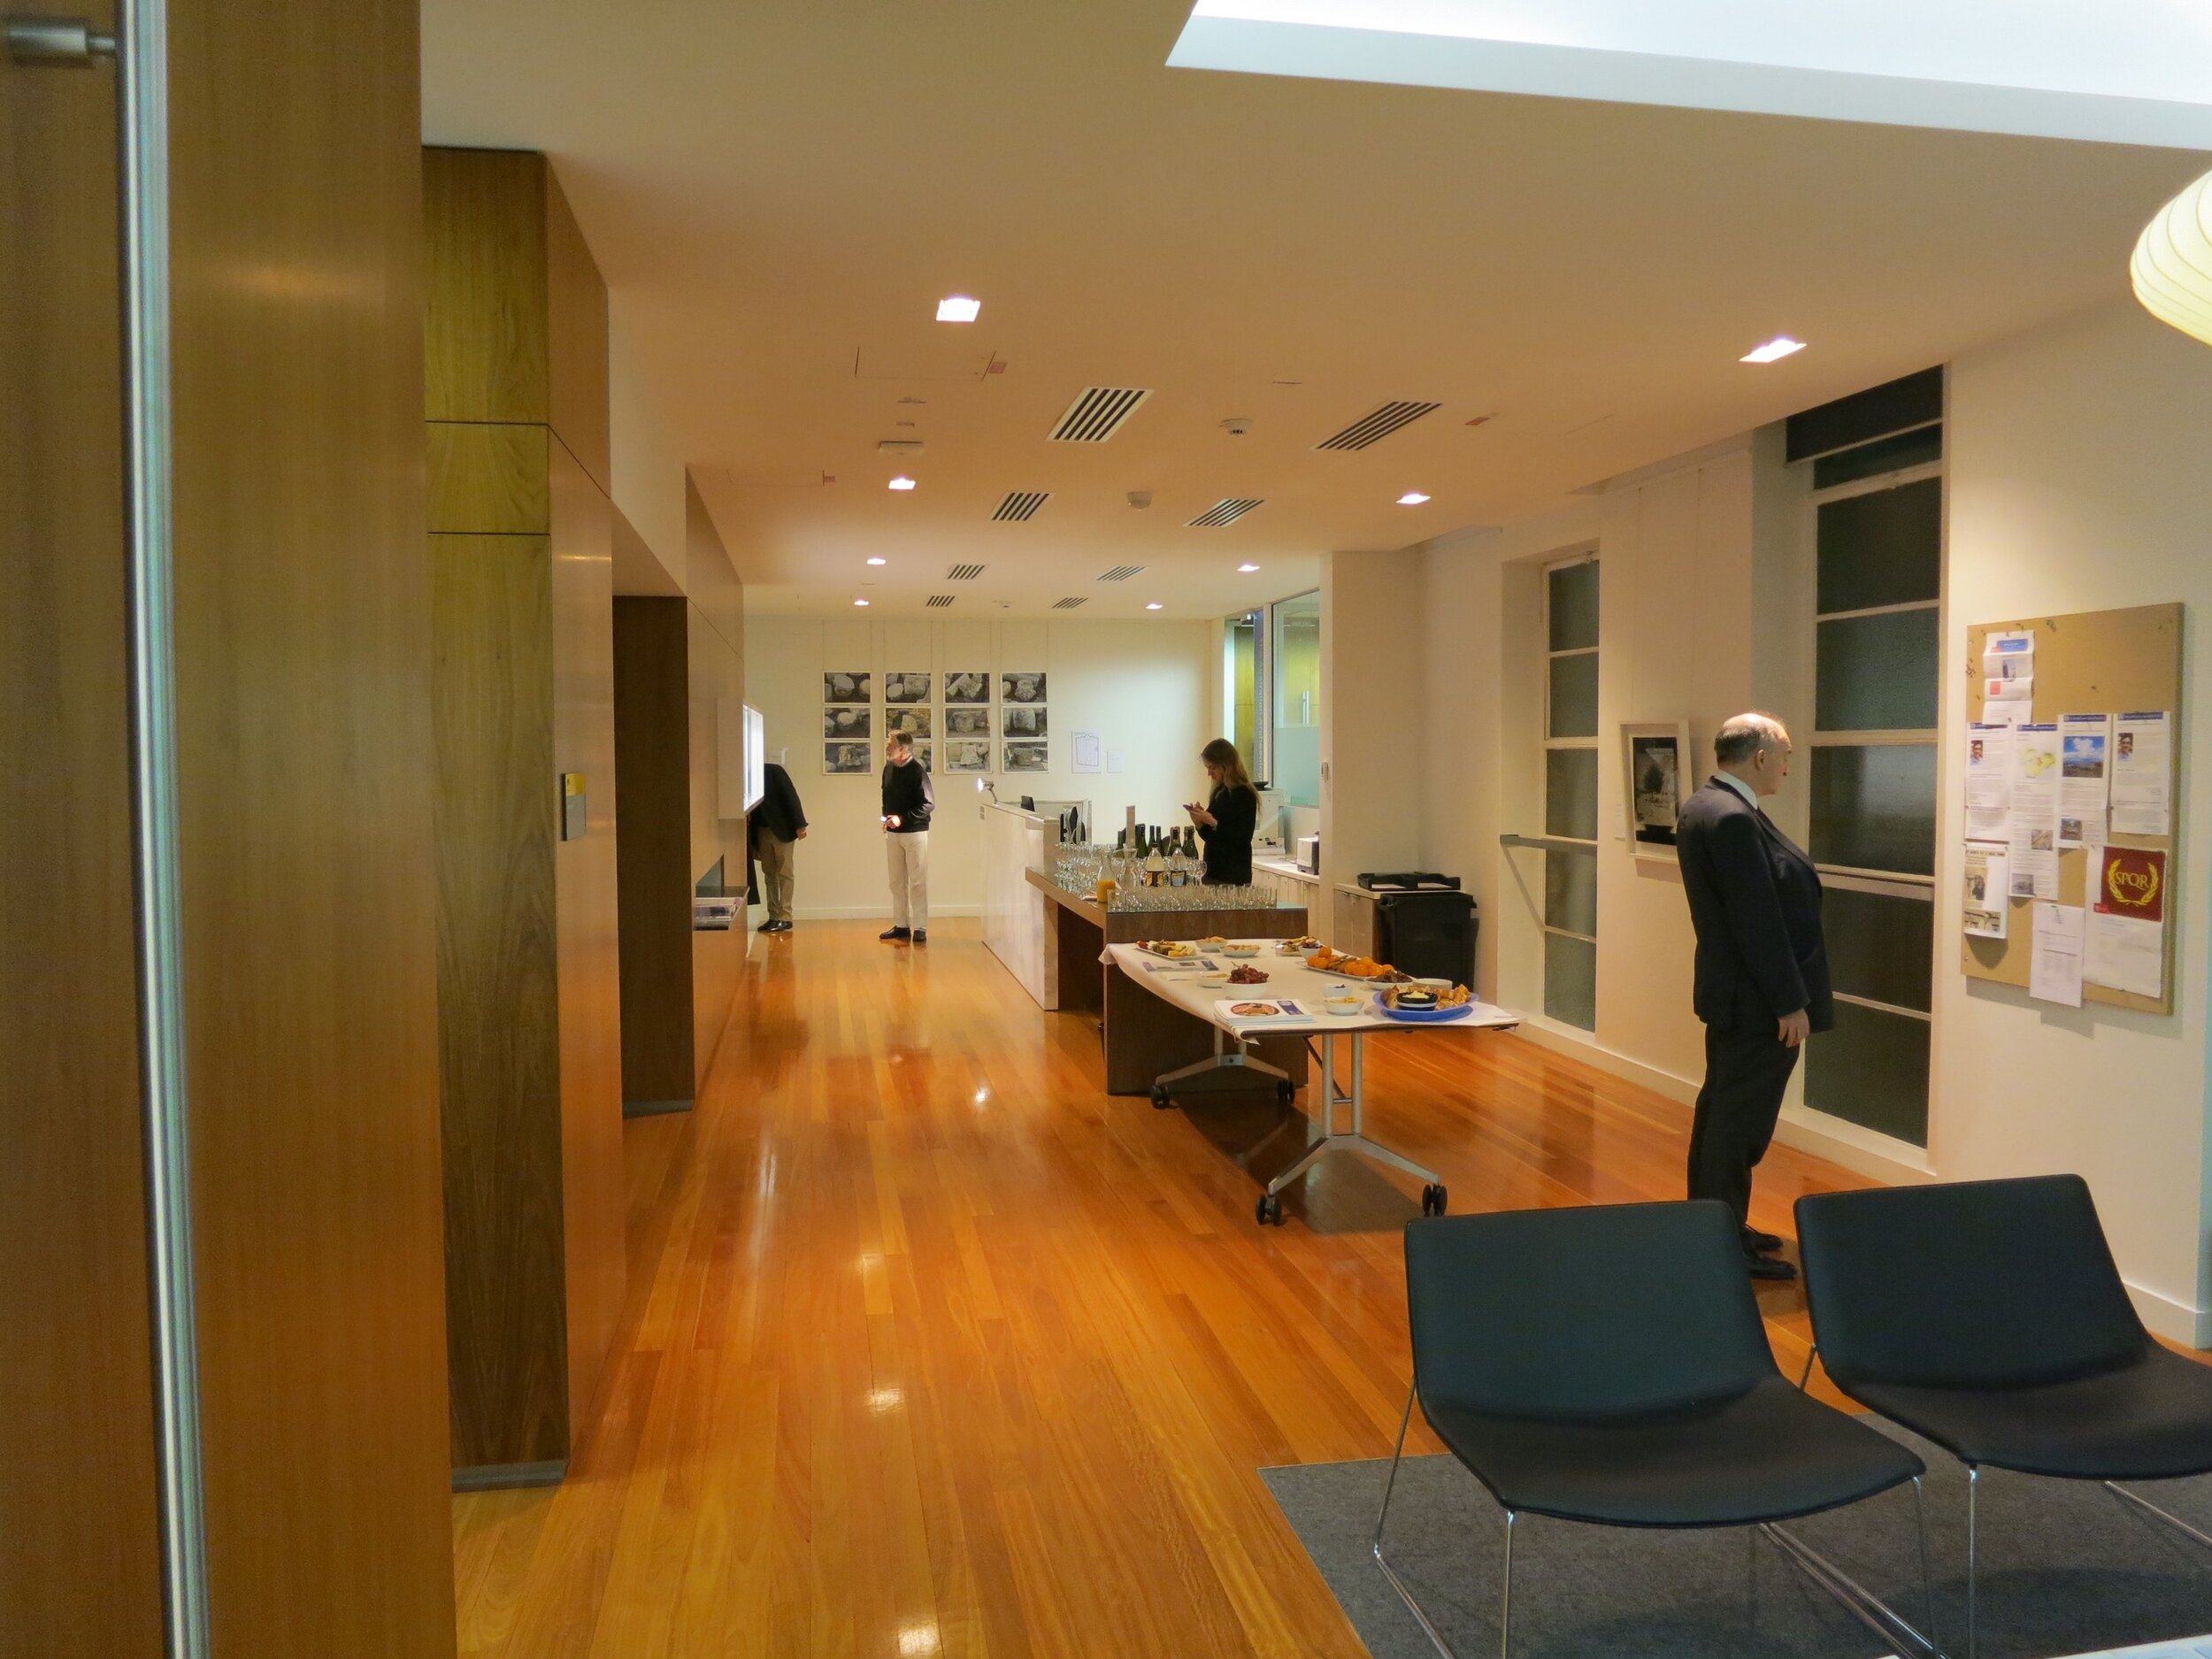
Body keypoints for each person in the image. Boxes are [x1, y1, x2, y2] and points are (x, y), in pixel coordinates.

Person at [1676, 712, 1832, 1281]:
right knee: (1737, 1124)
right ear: (1761, 756)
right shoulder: (1734, 818)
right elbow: (1756, 920)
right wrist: (1790, 1002)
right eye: (1786, 754)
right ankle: (1719, 1247)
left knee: (1722, 1113)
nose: (1789, 767)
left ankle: (1715, 1227)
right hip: (1757, 1001)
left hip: (1734, 993)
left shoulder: (1704, 805)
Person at [879, 730, 933, 944]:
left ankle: (920, 927)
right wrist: (886, 819)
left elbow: (928, 804)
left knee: (917, 881)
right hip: (893, 834)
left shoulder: (917, 771)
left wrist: (903, 819)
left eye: (890, 744)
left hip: (915, 834)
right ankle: (901, 925)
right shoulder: (888, 769)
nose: (887, 748)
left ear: (903, 748)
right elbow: (886, 796)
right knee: (896, 882)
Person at [1184, 737, 1258, 886]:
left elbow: (1243, 838)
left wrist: (1212, 821)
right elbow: (1213, 838)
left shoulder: (1244, 794)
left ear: (1226, 765)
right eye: (1207, 768)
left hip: (1234, 874)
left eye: (1212, 768)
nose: (1209, 773)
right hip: (1213, 870)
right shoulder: (1220, 791)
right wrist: (1200, 824)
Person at [748, 761, 807, 934]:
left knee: (785, 873)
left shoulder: (773, 771)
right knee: (769, 874)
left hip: (782, 830)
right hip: (761, 830)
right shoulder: (746, 775)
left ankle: (786, 917)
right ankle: (774, 916)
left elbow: (791, 797)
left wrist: (800, 825)